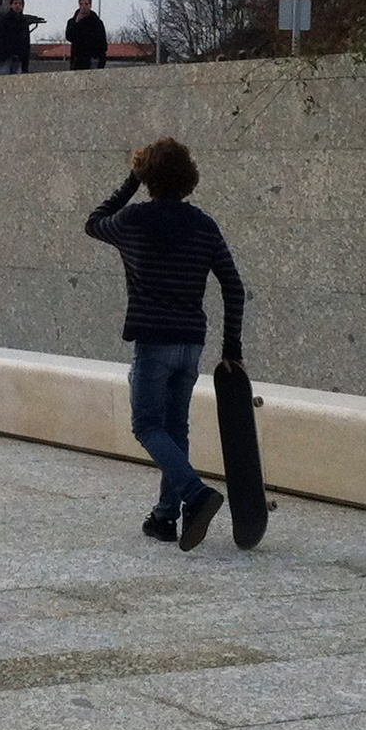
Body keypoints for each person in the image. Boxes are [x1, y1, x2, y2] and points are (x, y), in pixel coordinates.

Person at [85, 138, 249, 549]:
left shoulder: (133, 221)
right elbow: (233, 285)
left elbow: (94, 221)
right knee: (176, 428)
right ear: (188, 177)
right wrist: (232, 348)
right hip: (191, 342)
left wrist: (131, 180)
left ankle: (196, 494)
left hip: (154, 341)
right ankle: (164, 518)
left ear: (148, 178)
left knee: (146, 426)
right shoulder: (204, 225)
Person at [0, 0, 33, 75]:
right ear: (11, 5)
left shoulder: (24, 23)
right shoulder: (4, 20)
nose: (17, 6)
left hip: (19, 59)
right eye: (15, 3)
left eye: (20, 4)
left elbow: (26, 43)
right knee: (4, 80)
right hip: (5, 59)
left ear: (22, 6)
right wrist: (0, 57)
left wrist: (25, 64)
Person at [65, 0, 109, 71]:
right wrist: (76, 23)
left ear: (90, 5)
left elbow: (103, 42)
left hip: (93, 60)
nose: (84, 7)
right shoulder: (72, 22)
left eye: (86, 4)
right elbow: (69, 37)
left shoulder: (97, 23)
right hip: (78, 61)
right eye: (81, 4)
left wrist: (99, 58)